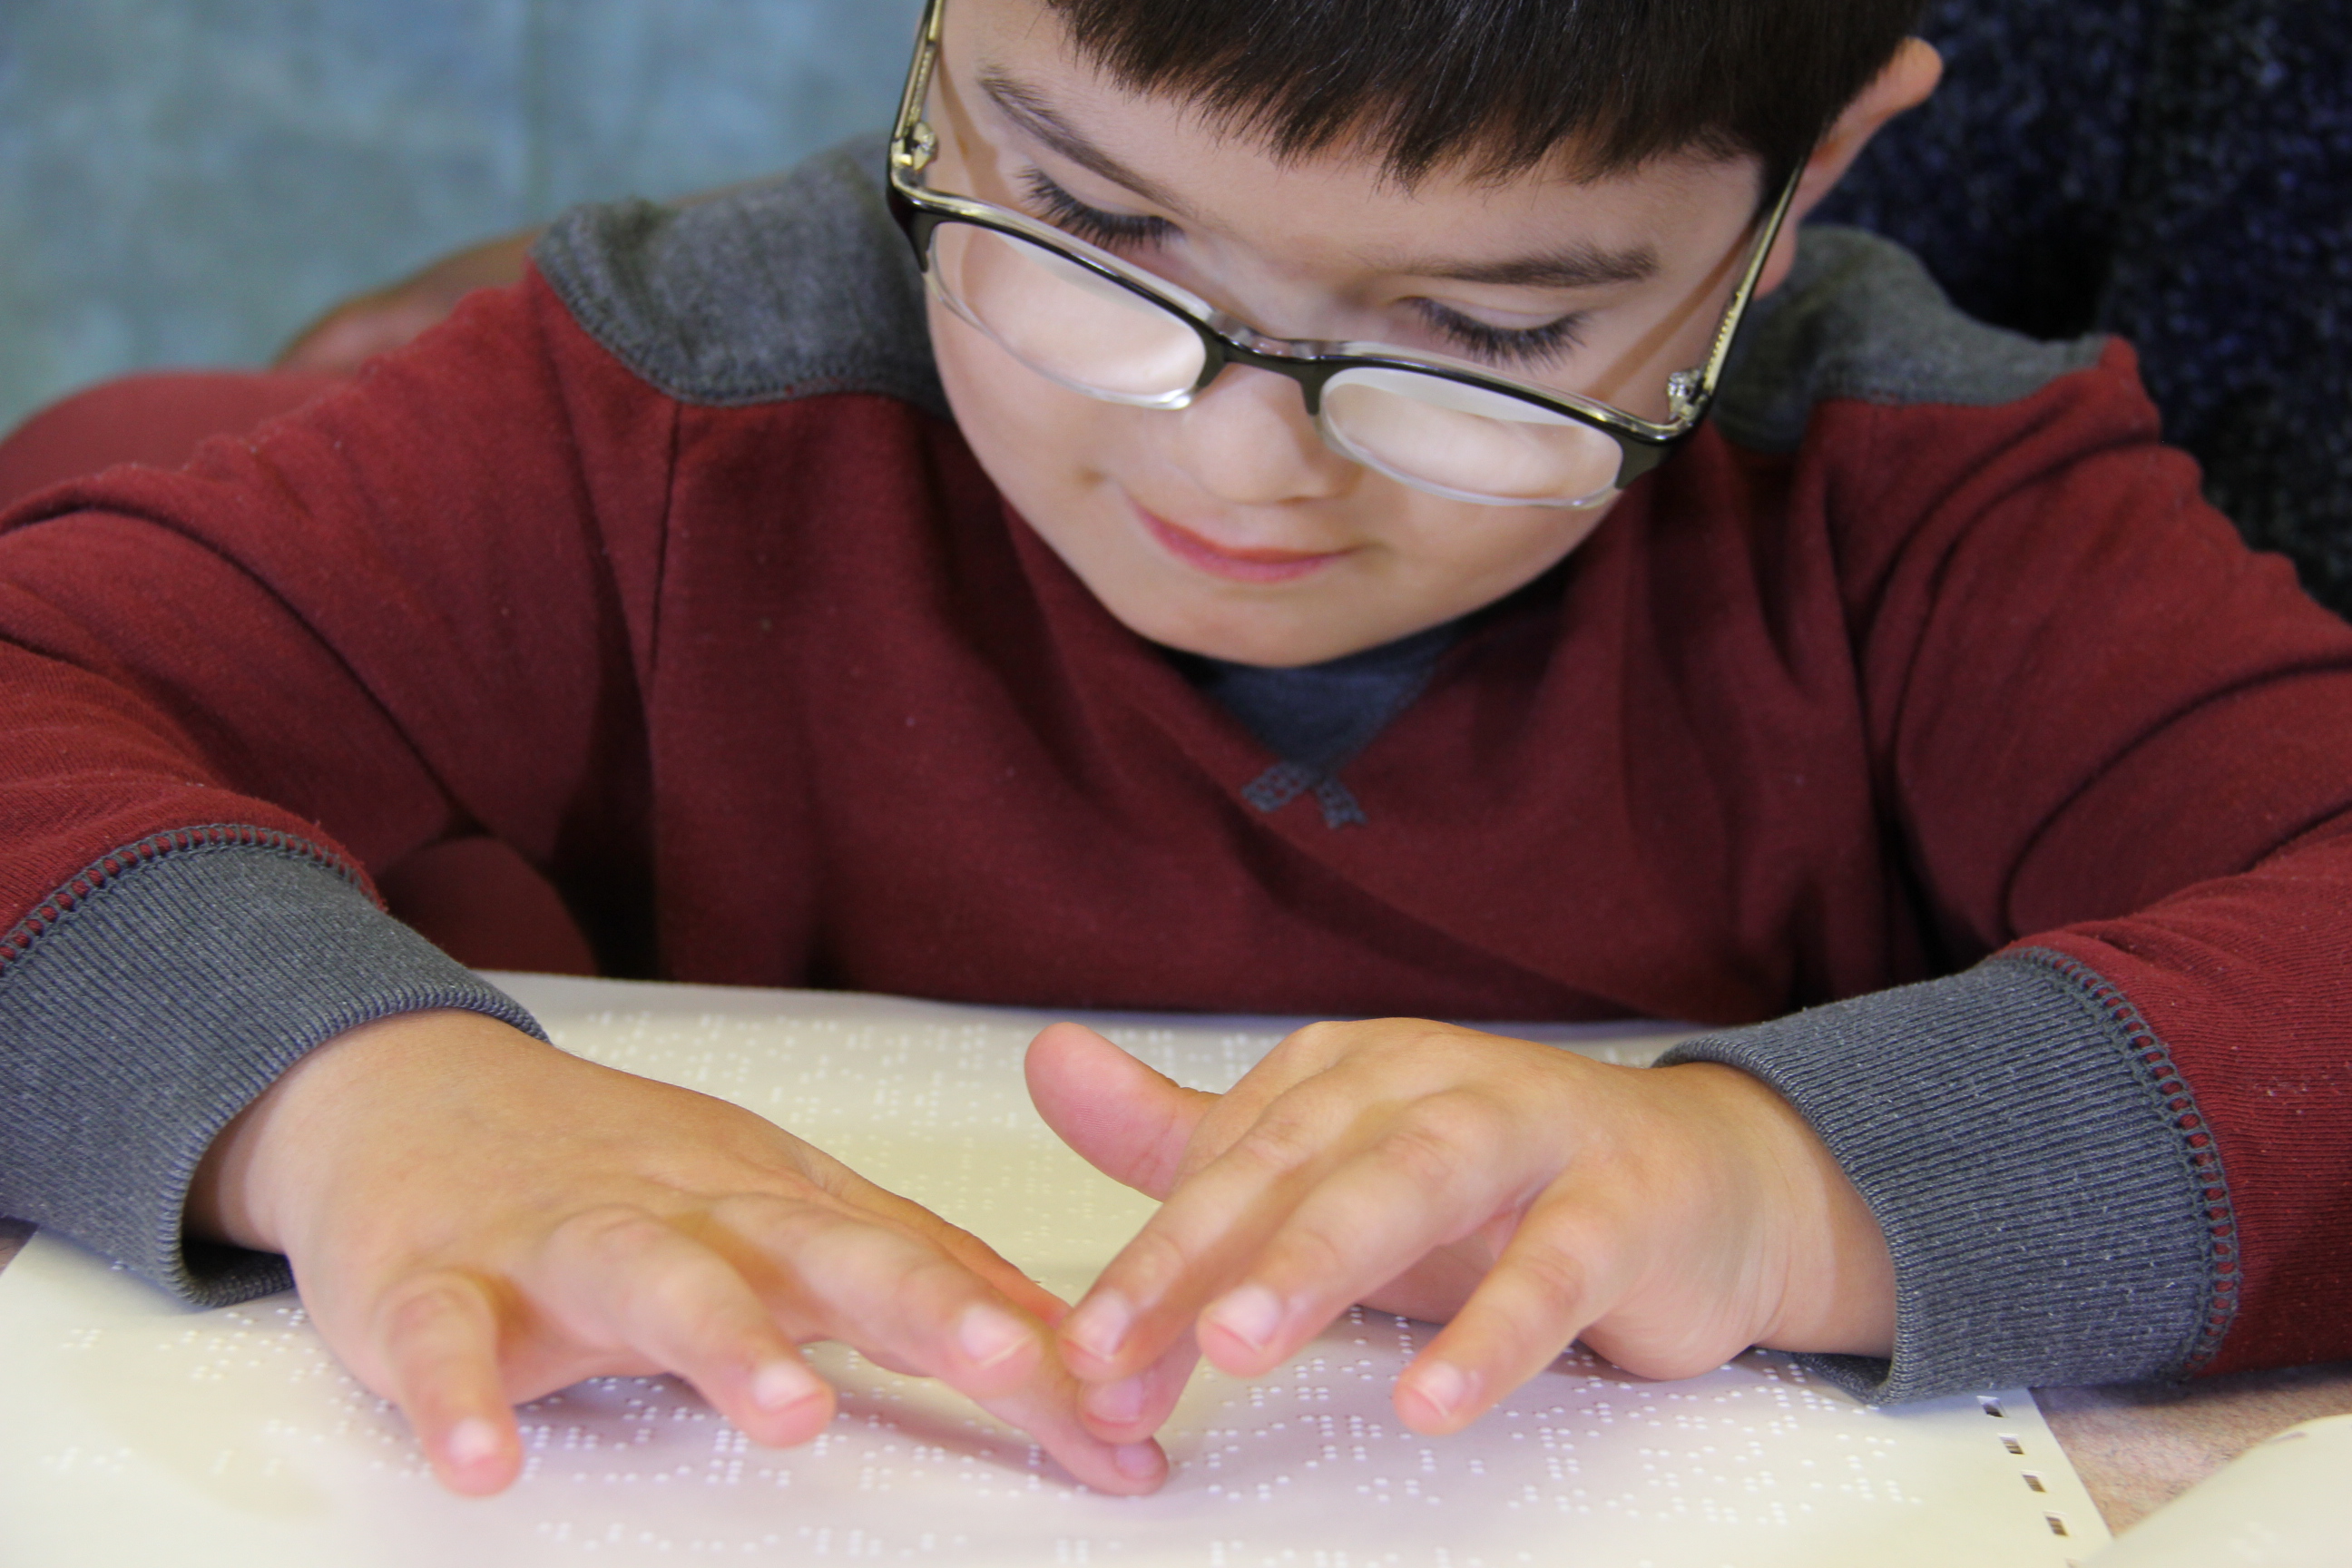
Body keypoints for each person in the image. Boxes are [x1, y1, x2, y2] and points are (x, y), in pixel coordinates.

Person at [2, 0, 2347, 1505]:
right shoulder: (667, 409)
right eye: (1086, 226)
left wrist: (1775, 1180)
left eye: (1489, 338)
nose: (1239, 473)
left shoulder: (1919, 504)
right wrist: (348, 1097)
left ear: (1816, 165)